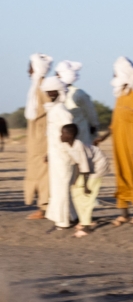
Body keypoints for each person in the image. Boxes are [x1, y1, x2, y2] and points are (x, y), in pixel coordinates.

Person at [95, 57, 133, 226]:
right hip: (119, 144)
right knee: (121, 176)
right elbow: (114, 123)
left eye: (115, 72)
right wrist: (103, 137)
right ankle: (124, 213)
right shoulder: (119, 96)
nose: (113, 75)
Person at [62, 123, 109, 238]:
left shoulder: (79, 146)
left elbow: (85, 165)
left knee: (87, 197)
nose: (61, 135)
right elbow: (78, 164)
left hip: (97, 166)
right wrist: (76, 180)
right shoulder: (68, 146)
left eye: (63, 133)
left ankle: (87, 227)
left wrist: (86, 186)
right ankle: (84, 221)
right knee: (75, 192)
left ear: (71, 135)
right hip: (87, 169)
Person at [42, 77, 76, 230]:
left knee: (61, 187)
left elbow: (69, 132)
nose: (50, 94)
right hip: (55, 154)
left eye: (52, 91)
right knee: (58, 187)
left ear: (59, 91)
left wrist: (70, 152)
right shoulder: (54, 109)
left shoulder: (61, 110)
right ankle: (71, 216)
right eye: (48, 91)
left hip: (63, 154)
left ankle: (63, 222)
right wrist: (48, 152)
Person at [24, 53, 53, 219]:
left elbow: (51, 113)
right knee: (35, 172)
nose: (27, 70)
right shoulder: (36, 87)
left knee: (43, 173)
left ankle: (44, 208)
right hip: (35, 138)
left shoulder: (43, 87)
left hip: (43, 138)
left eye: (30, 66)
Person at [56, 60, 99, 146]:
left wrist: (94, 127)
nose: (56, 76)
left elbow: (90, 113)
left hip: (80, 134)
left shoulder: (79, 94)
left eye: (57, 74)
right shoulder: (55, 93)